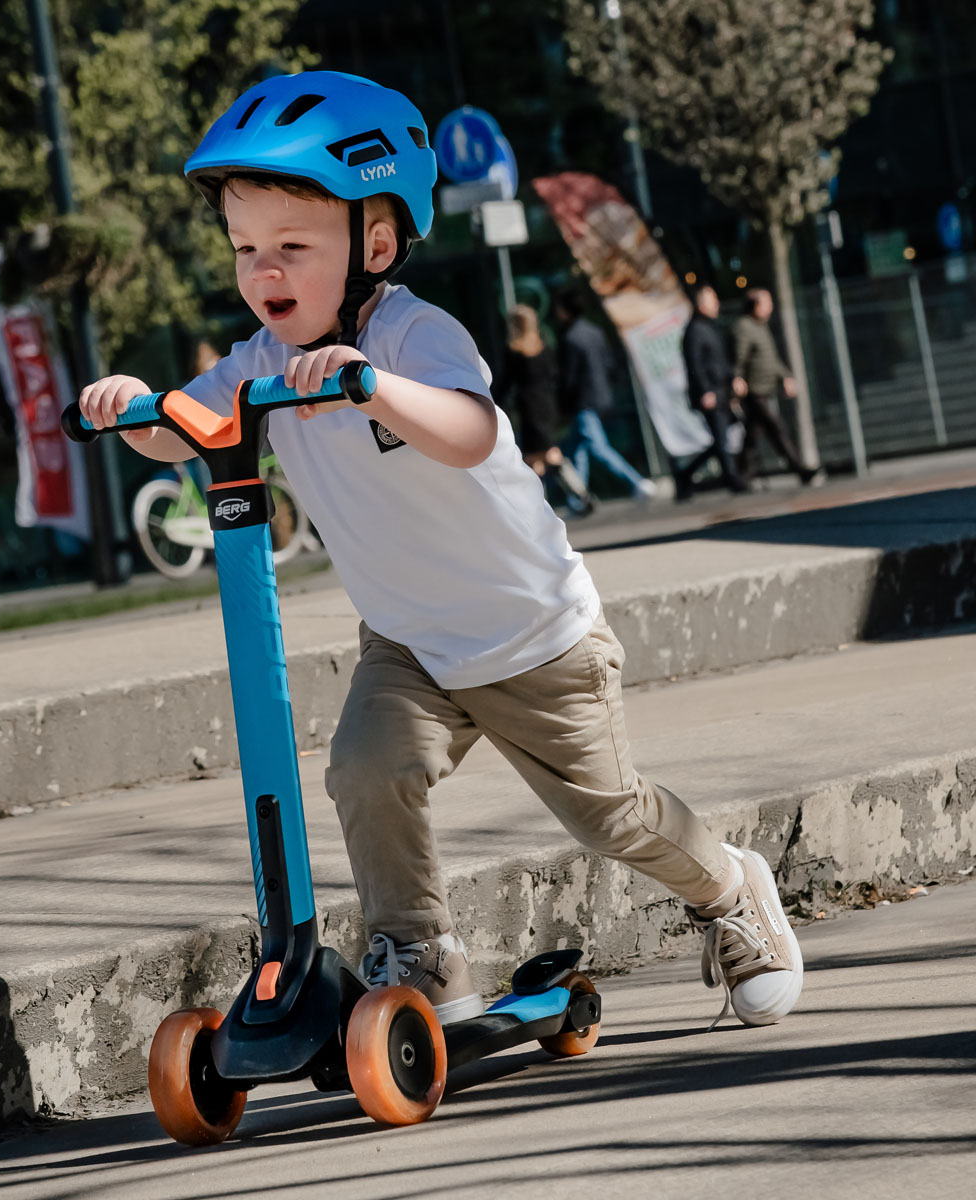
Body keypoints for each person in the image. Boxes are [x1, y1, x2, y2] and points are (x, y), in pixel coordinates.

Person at [79, 71, 802, 1032]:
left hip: (535, 637)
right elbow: (191, 427)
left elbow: (467, 431)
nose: (264, 271)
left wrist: (368, 384)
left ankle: (731, 890)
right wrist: (134, 409)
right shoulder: (259, 360)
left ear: (375, 243)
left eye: (293, 246)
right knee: (366, 770)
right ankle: (418, 952)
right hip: (411, 645)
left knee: (610, 816)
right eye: (246, 247)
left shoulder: (419, 335)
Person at [553, 286, 658, 506]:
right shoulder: (595, 332)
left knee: (597, 448)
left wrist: (562, 404)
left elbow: (569, 378)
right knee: (578, 450)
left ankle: (636, 482)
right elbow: (609, 364)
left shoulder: (570, 338)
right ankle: (578, 500)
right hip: (601, 397)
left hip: (583, 401)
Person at [498, 303, 594, 514]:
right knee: (536, 460)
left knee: (548, 456)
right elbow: (554, 377)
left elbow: (505, 383)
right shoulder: (544, 347)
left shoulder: (514, 351)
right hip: (547, 405)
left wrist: (494, 403)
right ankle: (541, 505)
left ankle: (580, 495)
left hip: (530, 407)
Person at [733, 288, 822, 486]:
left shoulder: (760, 326)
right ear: (755, 305)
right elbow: (739, 356)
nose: (770, 307)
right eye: (767, 303)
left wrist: (786, 377)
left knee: (752, 436)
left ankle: (740, 476)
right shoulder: (744, 327)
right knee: (776, 427)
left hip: (765, 388)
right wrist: (737, 377)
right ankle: (799, 469)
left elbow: (771, 359)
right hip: (754, 390)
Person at [676, 284, 749, 500]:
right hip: (711, 394)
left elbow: (720, 362)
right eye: (712, 299)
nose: (717, 303)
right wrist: (706, 391)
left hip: (721, 391)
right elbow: (696, 365)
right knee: (721, 438)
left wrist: (733, 380)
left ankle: (685, 474)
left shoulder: (709, 328)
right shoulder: (695, 330)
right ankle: (732, 479)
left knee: (721, 440)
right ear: (701, 304)